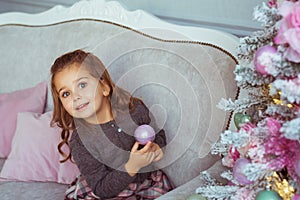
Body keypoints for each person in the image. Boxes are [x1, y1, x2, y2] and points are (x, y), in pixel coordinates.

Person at [50, 49, 174, 199]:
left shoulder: (134, 110)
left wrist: (156, 147)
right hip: (108, 191)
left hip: (147, 183)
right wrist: (131, 166)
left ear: (104, 87)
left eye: (82, 85)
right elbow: (101, 189)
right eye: (66, 94)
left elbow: (159, 134)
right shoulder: (81, 143)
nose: (76, 96)